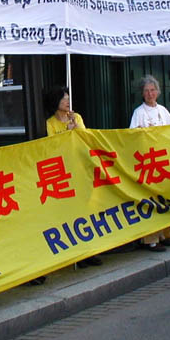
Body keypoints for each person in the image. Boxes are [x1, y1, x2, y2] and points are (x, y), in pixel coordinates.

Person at [129, 76, 170, 251]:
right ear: (142, 94)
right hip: (147, 161)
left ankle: (163, 233)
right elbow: (131, 135)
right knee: (150, 199)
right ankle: (150, 240)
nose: (150, 94)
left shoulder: (162, 110)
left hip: (162, 160)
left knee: (163, 198)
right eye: (146, 91)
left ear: (158, 92)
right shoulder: (139, 112)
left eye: (152, 90)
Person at [42, 85, 101, 271]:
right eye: (63, 99)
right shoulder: (50, 123)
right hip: (62, 173)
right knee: (69, 213)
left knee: (86, 209)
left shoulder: (77, 117)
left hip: (79, 167)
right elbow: (51, 147)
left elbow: (85, 138)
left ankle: (90, 251)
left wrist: (76, 126)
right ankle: (76, 254)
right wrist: (66, 133)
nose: (67, 101)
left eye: (68, 98)